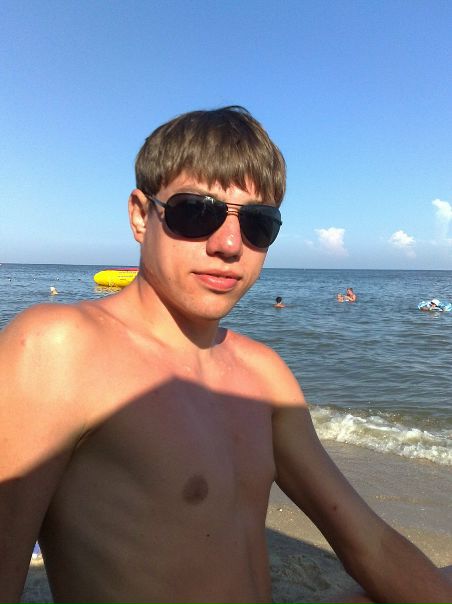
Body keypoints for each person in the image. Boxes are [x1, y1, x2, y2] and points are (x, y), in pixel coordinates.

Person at [1, 106, 451, 604]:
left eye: (258, 223)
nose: (231, 244)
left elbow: (368, 542)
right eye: (198, 211)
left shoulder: (263, 373)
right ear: (140, 215)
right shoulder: (58, 348)